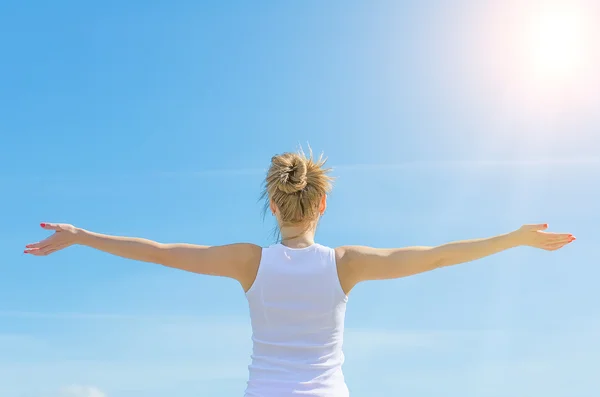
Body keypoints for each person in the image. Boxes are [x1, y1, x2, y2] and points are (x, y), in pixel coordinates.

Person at [24, 149, 575, 397]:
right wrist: (514, 238)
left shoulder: (249, 261)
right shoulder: (346, 264)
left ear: (272, 201)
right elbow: (435, 255)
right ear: (322, 204)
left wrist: (81, 236)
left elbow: (158, 251)